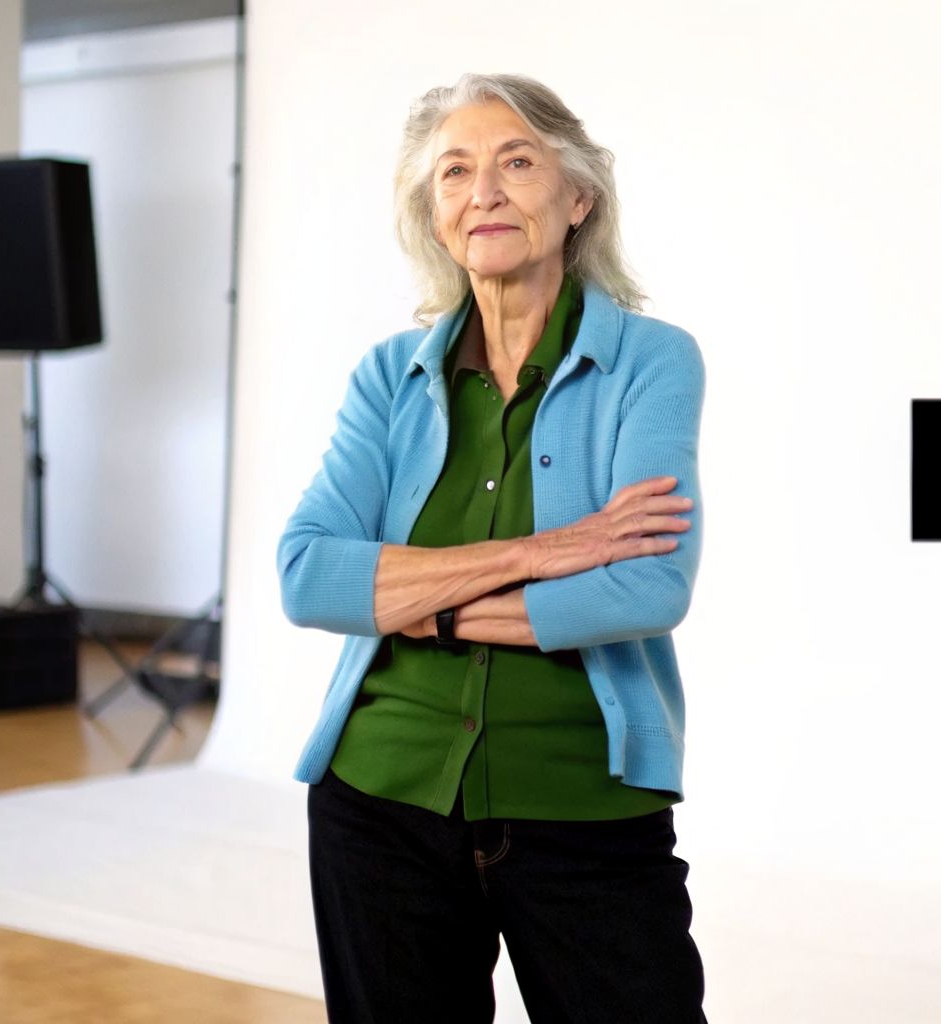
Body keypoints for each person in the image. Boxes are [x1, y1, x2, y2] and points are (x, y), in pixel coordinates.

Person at [275, 72, 708, 1023]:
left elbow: (647, 585)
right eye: (455, 174)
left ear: (578, 197)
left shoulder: (653, 360)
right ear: (436, 220)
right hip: (377, 800)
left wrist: (406, 597)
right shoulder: (388, 375)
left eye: (517, 162)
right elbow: (308, 575)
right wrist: (549, 550)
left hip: (584, 806)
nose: (485, 192)